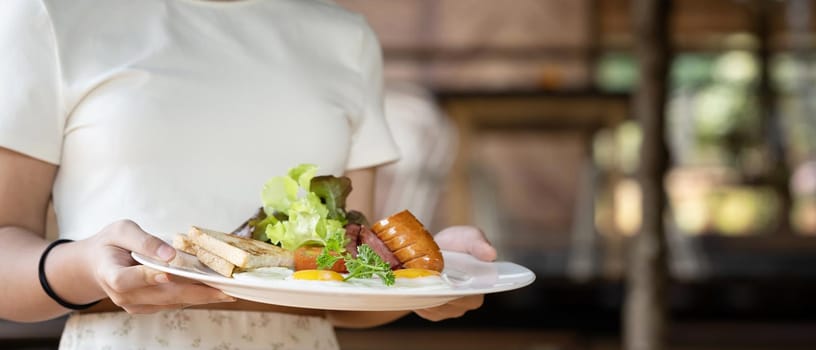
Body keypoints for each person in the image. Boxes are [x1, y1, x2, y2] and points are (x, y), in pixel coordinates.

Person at [0, 0, 497, 349]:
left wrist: (427, 278)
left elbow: (347, 292)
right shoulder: (49, 14)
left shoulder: (344, 37)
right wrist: (87, 266)